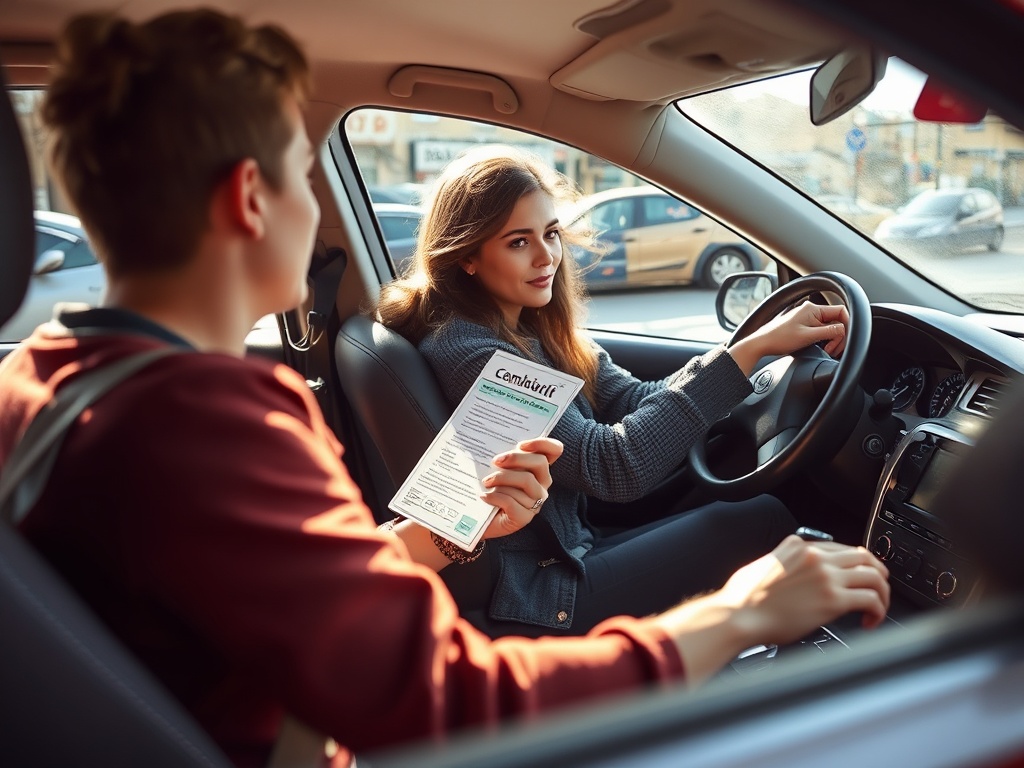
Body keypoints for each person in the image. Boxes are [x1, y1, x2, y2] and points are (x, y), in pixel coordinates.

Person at [0, 9, 889, 768]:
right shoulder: (205, 420)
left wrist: (427, 538)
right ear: (249, 199)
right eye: (298, 175)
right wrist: (737, 616)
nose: (316, 219)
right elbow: (449, 703)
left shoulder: (38, 379)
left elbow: (274, 600)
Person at [377, 145, 855, 638]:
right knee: (761, 519)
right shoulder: (469, 349)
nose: (546, 257)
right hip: (542, 590)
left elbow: (631, 399)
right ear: (468, 258)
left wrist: (755, 352)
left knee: (742, 482)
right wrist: (749, 352)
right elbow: (614, 466)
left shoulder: (530, 327)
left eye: (551, 233)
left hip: (572, 545)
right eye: (518, 242)